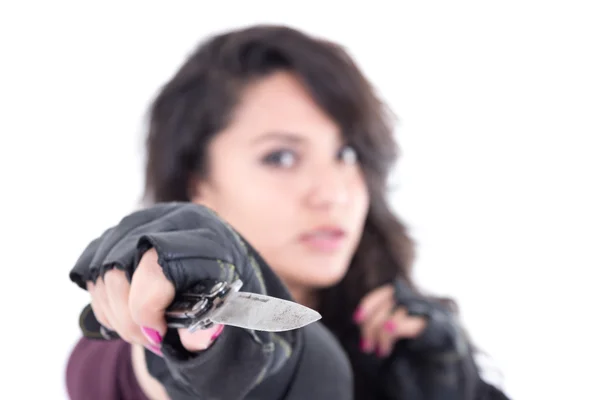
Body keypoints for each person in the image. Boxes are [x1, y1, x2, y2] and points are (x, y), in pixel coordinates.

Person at [65, 24, 510, 400]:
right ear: (196, 184)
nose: (333, 193)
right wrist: (197, 342)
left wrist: (460, 386)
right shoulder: (127, 352)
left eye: (348, 154)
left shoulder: (400, 335)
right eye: (281, 157)